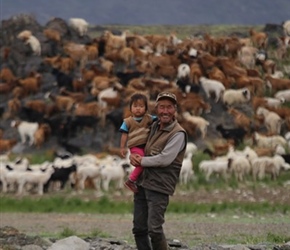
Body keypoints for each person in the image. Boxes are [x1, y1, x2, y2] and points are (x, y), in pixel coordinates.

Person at [129, 91, 187, 250]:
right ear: (156, 109)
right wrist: (133, 156)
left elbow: (165, 159)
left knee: (154, 229)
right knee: (139, 229)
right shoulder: (153, 126)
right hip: (143, 183)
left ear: (175, 110)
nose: (165, 111)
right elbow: (138, 142)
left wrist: (142, 161)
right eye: (162, 107)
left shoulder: (178, 133)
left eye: (169, 107)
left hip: (159, 186)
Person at [119, 93, 157, 193]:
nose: (138, 109)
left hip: (146, 146)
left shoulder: (148, 118)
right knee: (142, 162)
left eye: (141, 106)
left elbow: (159, 119)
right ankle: (131, 180)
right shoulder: (127, 121)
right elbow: (124, 135)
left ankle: (141, 181)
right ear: (130, 108)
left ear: (146, 108)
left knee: (146, 163)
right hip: (135, 146)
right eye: (135, 106)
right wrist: (122, 147)